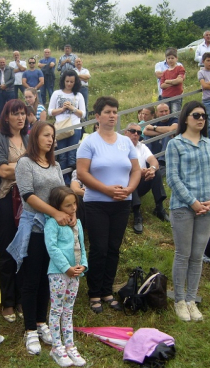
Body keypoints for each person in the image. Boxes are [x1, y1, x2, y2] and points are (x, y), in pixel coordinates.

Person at [77, 96, 141, 314]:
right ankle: (94, 292)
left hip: (122, 204)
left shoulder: (125, 142)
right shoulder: (89, 142)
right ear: (97, 116)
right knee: (99, 248)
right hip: (97, 203)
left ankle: (107, 291)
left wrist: (130, 189)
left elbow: (136, 170)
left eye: (115, 111)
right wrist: (105, 189)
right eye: (107, 112)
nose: (112, 115)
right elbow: (82, 173)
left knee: (114, 248)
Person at [9, 121, 67, 355]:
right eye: (46, 135)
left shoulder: (54, 164)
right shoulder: (25, 163)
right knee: (32, 279)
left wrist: (69, 212)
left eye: (52, 136)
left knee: (48, 278)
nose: (50, 140)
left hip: (53, 230)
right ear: (35, 137)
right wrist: (55, 212)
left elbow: (63, 193)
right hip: (34, 228)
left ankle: (42, 323)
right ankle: (30, 329)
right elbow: (28, 196)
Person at [165, 100, 210, 322]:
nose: (201, 119)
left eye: (204, 116)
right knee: (183, 254)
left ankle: (191, 300)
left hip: (208, 207)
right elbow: (172, 177)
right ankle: (179, 300)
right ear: (186, 117)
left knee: (198, 256)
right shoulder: (175, 144)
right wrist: (193, 202)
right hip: (183, 207)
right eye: (196, 115)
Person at [0, 99, 29, 323]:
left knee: (25, 250)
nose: (20, 117)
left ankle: (22, 298)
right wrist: (27, 164)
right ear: (6, 117)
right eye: (16, 114)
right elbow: (3, 170)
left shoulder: (28, 138)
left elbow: (40, 162)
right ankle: (8, 302)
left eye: (23, 113)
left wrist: (20, 166)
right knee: (7, 252)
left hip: (29, 200)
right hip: (6, 201)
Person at [45, 186, 87, 368]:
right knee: (56, 310)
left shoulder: (77, 223)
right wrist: (66, 268)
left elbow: (82, 245)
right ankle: (56, 347)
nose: (73, 208)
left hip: (75, 274)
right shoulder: (52, 224)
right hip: (58, 273)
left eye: (74, 204)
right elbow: (52, 248)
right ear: (57, 206)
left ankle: (69, 345)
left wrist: (83, 265)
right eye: (68, 205)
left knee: (68, 310)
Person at [124, 123, 168, 235]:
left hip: (141, 182)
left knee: (156, 172)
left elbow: (153, 160)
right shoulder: (120, 146)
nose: (136, 134)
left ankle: (159, 208)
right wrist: (138, 172)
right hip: (126, 183)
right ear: (126, 132)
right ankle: (137, 214)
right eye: (133, 131)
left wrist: (152, 169)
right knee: (131, 176)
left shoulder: (141, 146)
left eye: (138, 132)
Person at [48, 70, 86, 185]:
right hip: (61, 128)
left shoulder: (79, 95)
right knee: (62, 155)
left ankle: (74, 181)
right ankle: (65, 181)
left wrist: (72, 108)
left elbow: (83, 114)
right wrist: (62, 109)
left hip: (75, 128)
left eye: (72, 82)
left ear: (75, 82)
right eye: (67, 81)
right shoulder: (56, 93)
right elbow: (50, 112)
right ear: (63, 81)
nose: (69, 84)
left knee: (72, 155)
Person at [160, 48, 185, 113]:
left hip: (176, 96)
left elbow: (179, 80)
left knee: (175, 113)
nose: (170, 60)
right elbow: (162, 85)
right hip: (165, 96)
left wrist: (168, 81)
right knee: (165, 115)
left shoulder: (180, 68)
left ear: (176, 58)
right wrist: (174, 82)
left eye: (172, 58)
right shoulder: (165, 72)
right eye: (168, 58)